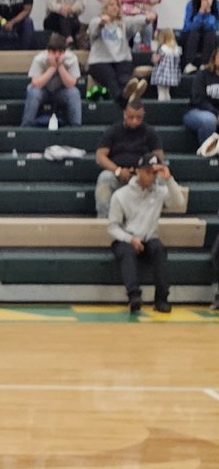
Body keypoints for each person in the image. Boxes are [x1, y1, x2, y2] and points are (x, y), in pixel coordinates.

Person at [107, 154, 183, 313]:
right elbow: (113, 227)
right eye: (148, 172)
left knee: (159, 249)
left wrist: (169, 179)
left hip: (149, 238)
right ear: (139, 172)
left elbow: (179, 203)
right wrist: (130, 238)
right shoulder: (121, 195)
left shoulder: (160, 192)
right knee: (126, 252)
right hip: (126, 238)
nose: (152, 176)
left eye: (154, 173)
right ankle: (134, 296)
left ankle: (161, 299)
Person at [94, 100, 163, 219]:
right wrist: (118, 171)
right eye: (131, 117)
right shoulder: (114, 131)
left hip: (142, 174)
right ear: (124, 114)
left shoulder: (149, 132)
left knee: (160, 180)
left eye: (138, 117)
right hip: (117, 174)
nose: (135, 121)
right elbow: (100, 156)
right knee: (104, 178)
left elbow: (158, 157)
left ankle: (153, 220)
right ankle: (103, 219)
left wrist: (143, 172)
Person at [20, 34, 82, 127]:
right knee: (32, 90)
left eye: (60, 52)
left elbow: (71, 84)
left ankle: (76, 127)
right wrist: (52, 68)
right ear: (48, 51)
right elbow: (36, 83)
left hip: (62, 90)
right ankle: (26, 125)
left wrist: (60, 66)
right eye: (53, 52)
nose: (57, 55)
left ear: (65, 52)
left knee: (74, 93)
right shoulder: (39, 59)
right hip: (43, 90)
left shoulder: (71, 59)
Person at [87, 0, 137, 108]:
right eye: (112, 5)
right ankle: (124, 100)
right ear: (105, 7)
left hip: (122, 59)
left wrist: (147, 19)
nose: (115, 8)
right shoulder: (96, 21)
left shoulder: (123, 23)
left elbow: (136, 22)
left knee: (123, 77)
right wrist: (101, 24)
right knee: (111, 78)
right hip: (99, 61)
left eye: (117, 5)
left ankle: (128, 94)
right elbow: (93, 32)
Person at [183, 46, 219, 152]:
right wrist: (216, 113)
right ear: (214, 58)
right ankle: (208, 153)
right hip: (197, 111)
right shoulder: (203, 75)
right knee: (208, 120)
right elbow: (198, 99)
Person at [180, 0, 218, 74]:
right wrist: (201, 12)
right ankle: (188, 64)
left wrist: (208, 12)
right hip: (191, 35)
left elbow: (215, 26)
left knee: (211, 33)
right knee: (194, 32)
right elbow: (188, 26)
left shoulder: (216, 5)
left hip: (209, 35)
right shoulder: (191, 4)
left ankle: (205, 64)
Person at [149, 28, 182, 102]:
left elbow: (156, 60)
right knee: (167, 92)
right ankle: (168, 105)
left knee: (161, 91)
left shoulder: (162, 49)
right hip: (171, 74)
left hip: (162, 74)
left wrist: (154, 55)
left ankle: (161, 106)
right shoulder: (175, 49)